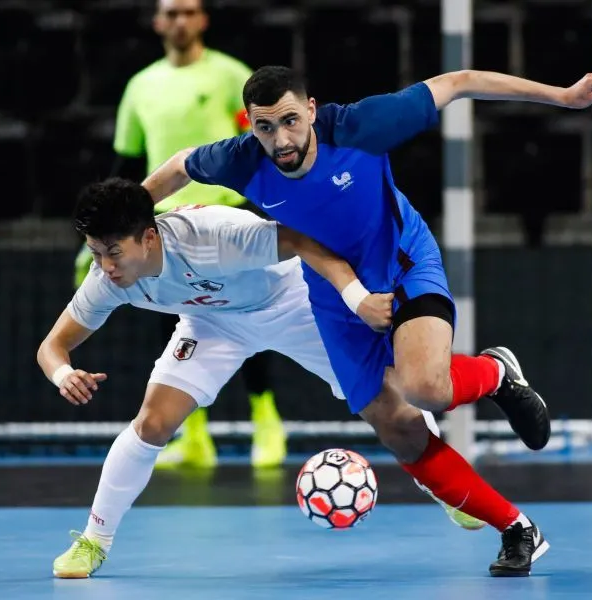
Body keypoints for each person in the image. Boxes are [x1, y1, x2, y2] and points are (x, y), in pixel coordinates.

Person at [139, 66, 592, 576]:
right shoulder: (240, 160)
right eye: (264, 127)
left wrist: (563, 95)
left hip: (402, 264)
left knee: (425, 388)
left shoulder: (360, 126)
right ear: (251, 125)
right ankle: (516, 529)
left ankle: (496, 373)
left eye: (289, 121)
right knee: (401, 430)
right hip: (333, 298)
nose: (280, 140)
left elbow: (458, 82)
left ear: (310, 109)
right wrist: (132, 212)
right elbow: (179, 165)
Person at [40, 179, 483, 579]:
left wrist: (355, 297)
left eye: (113, 253)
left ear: (149, 237)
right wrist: (63, 373)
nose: (106, 266)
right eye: (96, 252)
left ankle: (443, 484)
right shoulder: (108, 280)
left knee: (392, 403)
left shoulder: (216, 238)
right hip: (211, 322)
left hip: (293, 302)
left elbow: (303, 241)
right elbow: (52, 347)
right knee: (152, 423)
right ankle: (94, 541)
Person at [73, 0, 284, 469]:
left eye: (188, 12)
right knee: (176, 328)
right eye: (171, 13)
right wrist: (101, 234)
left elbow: (261, 146)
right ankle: (193, 437)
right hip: (160, 229)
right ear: (157, 22)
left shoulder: (232, 76)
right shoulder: (141, 86)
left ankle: (266, 423)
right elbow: (126, 165)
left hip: (227, 220)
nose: (179, 21)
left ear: (203, 20)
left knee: (247, 321)